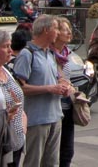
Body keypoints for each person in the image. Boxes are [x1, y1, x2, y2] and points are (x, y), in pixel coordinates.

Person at [15, 14, 72, 167]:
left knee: (52, 163)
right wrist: (49, 88)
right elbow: (20, 88)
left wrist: (63, 85)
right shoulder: (27, 54)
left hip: (55, 116)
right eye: (55, 28)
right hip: (37, 119)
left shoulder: (50, 54)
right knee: (33, 162)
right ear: (46, 30)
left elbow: (58, 78)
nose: (58, 33)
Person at [0, 29, 26, 167]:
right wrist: (3, 118)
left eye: (10, 45)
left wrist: (23, 126)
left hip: (16, 143)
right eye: (5, 46)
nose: (10, 50)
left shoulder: (6, 70)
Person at [53, 18, 78, 167]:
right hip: (53, 105)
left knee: (67, 149)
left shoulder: (67, 53)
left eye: (69, 28)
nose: (69, 32)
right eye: (64, 29)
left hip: (67, 104)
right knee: (51, 150)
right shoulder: (48, 54)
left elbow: (68, 78)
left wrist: (72, 88)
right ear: (55, 33)